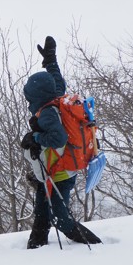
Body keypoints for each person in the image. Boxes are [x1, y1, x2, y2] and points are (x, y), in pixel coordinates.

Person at [20, 35, 101, 248]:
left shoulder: (47, 112)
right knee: (42, 210)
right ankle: (36, 247)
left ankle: (94, 245)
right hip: (60, 169)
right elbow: (57, 80)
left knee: (59, 218)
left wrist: (35, 137)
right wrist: (50, 60)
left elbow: (59, 138)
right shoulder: (56, 97)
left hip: (59, 173)